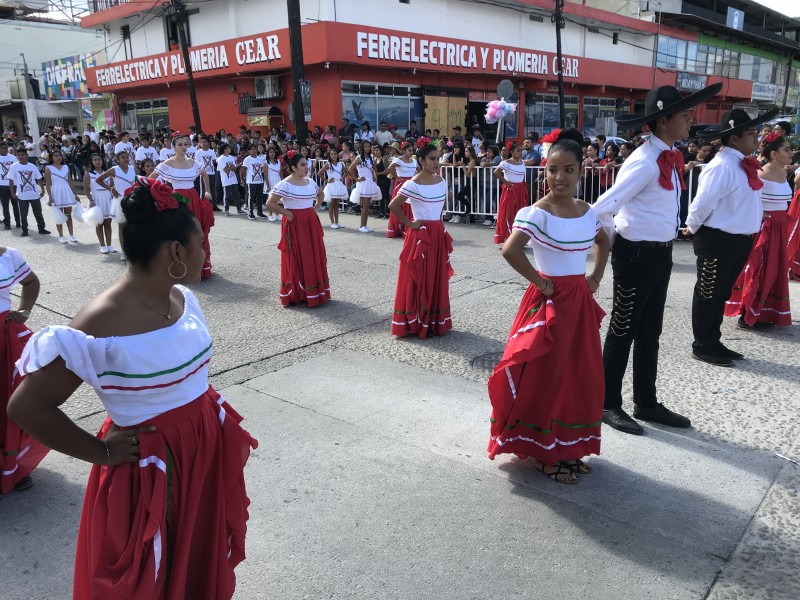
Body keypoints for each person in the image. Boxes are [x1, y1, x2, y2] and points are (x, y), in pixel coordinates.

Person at [8, 177, 257, 598]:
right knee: (150, 576)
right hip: (153, 469)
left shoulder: (182, 297)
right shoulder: (98, 324)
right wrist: (100, 452)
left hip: (199, 451)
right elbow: (26, 407)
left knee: (192, 557)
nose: (206, 252)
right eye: (201, 243)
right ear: (176, 252)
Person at [593, 82, 722, 435]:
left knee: (651, 332)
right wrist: (616, 243)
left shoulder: (668, 154)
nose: (690, 120)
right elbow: (602, 209)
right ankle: (608, 403)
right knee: (623, 329)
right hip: (636, 256)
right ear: (663, 121)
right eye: (684, 115)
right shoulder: (645, 161)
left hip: (660, 254)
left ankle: (646, 402)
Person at [487, 128, 610, 483]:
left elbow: (604, 242)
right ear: (545, 171)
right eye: (553, 169)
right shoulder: (536, 212)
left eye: (568, 169)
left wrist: (595, 279)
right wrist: (541, 283)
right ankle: (544, 453)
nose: (560, 177)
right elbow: (510, 249)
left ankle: (568, 448)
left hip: (579, 303)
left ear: (580, 173)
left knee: (579, 375)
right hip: (549, 302)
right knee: (549, 376)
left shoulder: (588, 212)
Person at [685, 108, 780, 366]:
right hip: (718, 239)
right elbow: (702, 203)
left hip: (737, 240)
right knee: (708, 293)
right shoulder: (722, 166)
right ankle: (703, 344)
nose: (756, 138)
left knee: (720, 292)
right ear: (734, 138)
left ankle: (713, 340)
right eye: (751, 133)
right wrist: (691, 227)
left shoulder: (740, 163)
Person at [724, 131, 793, 329]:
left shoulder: (783, 172)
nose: (791, 153)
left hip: (780, 229)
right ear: (773, 154)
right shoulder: (761, 173)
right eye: (786, 150)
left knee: (775, 270)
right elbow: (747, 198)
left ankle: (766, 312)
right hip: (765, 229)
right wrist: (759, 215)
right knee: (759, 270)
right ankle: (748, 312)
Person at [388, 143, 454, 338]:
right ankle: (415, 321)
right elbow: (394, 205)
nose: (436, 162)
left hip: (436, 233)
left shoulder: (441, 180)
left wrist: (439, 227)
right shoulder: (412, 183)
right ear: (422, 161)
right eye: (432, 159)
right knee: (418, 277)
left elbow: (438, 210)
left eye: (438, 158)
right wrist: (410, 223)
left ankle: (433, 320)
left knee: (436, 275)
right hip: (420, 236)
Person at [0, 246, 47, 497]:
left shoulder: (9, 256)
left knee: (10, 401)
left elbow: (30, 281)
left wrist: (24, 311)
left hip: (4, 340)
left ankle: (12, 463)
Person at [266, 151, 330, 307]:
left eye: (306, 164)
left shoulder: (310, 182)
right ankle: (296, 292)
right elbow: (270, 202)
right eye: (302, 165)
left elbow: (320, 194)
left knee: (312, 254)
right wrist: (287, 213)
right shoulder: (284, 184)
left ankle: (313, 291)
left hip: (310, 222)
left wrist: (314, 208)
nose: (306, 168)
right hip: (294, 223)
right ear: (293, 168)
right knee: (297, 256)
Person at [154, 133, 215, 279]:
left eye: (185, 144)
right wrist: (159, 195)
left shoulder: (194, 162)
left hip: (193, 198)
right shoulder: (167, 163)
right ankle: (180, 268)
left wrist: (207, 191)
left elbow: (205, 175)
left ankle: (200, 267)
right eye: (180, 144)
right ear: (173, 146)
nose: (183, 147)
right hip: (177, 199)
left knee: (197, 232)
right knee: (180, 234)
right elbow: (152, 179)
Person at [8, 148, 49, 237]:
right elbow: (11, 180)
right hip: (22, 195)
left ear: (26, 155)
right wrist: (12, 192)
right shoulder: (14, 166)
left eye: (22, 155)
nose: (21, 156)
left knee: (38, 212)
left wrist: (42, 189)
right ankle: (25, 230)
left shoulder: (32, 166)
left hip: (34, 194)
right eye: (19, 155)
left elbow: (39, 179)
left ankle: (41, 228)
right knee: (23, 214)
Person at [493, 143, 528, 245]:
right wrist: (506, 182)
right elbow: (496, 172)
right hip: (511, 190)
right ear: (512, 152)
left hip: (520, 190)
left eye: (521, 150)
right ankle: (508, 237)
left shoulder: (522, 162)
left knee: (520, 213)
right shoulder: (506, 163)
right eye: (518, 151)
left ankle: (518, 238)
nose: (520, 153)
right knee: (508, 213)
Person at [45, 150, 81, 244]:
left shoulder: (66, 167)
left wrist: (75, 194)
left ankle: (72, 235)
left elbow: (70, 181)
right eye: (55, 156)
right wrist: (50, 196)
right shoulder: (48, 168)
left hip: (66, 191)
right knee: (59, 215)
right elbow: (48, 184)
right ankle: (61, 236)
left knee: (68, 215)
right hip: (56, 192)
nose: (58, 157)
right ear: (52, 158)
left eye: (59, 155)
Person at [84, 153, 116, 254]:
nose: (97, 161)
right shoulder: (88, 174)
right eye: (95, 160)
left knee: (108, 223)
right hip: (96, 198)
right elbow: (86, 188)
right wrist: (91, 200)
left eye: (99, 159)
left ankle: (109, 244)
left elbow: (111, 186)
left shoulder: (108, 173)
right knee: (99, 224)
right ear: (92, 162)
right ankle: (102, 245)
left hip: (107, 198)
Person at [386, 142, 418, 238]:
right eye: (409, 150)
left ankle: (407, 228)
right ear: (403, 151)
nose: (411, 152)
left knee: (409, 206)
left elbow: (419, 171)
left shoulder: (414, 161)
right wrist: (397, 177)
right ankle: (398, 229)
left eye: (412, 150)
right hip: (402, 185)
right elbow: (390, 168)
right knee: (400, 206)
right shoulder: (398, 160)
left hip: (411, 184)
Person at [348, 140, 380, 233]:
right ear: (363, 147)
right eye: (365, 146)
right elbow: (350, 169)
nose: (367, 148)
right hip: (363, 183)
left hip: (370, 182)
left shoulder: (371, 158)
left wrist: (375, 177)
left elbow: (375, 169)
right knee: (365, 206)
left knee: (367, 206)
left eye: (369, 146)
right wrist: (357, 179)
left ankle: (365, 225)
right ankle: (362, 226)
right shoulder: (359, 158)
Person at [323, 149, 348, 229]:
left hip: (338, 184)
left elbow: (346, 172)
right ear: (330, 155)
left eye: (335, 154)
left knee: (337, 204)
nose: (333, 156)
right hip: (331, 185)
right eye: (332, 154)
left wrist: (343, 177)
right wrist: (327, 180)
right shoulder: (328, 164)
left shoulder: (341, 164)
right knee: (331, 204)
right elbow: (320, 173)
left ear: (337, 155)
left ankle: (337, 222)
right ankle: (332, 222)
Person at [217, 143, 243, 215]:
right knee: (227, 195)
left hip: (233, 178)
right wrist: (236, 166)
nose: (230, 149)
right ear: (224, 149)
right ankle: (226, 210)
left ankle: (239, 209)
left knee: (236, 195)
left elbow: (233, 168)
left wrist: (239, 165)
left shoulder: (231, 157)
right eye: (228, 148)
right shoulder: (221, 158)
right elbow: (225, 169)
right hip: (226, 180)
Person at [242, 144, 266, 220]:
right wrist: (244, 179)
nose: (254, 150)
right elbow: (243, 170)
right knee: (251, 197)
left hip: (260, 181)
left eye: (255, 149)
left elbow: (262, 169)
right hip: (251, 181)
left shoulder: (260, 159)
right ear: (249, 151)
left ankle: (260, 212)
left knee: (259, 197)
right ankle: (250, 213)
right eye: (252, 149)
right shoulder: (247, 159)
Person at [0, 141, 20, 229]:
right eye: (3, 148)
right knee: (5, 205)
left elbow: (17, 169)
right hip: (2, 185)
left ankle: (18, 222)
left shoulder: (13, 157)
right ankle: (7, 223)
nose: (5, 150)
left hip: (13, 184)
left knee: (15, 204)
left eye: (6, 148)